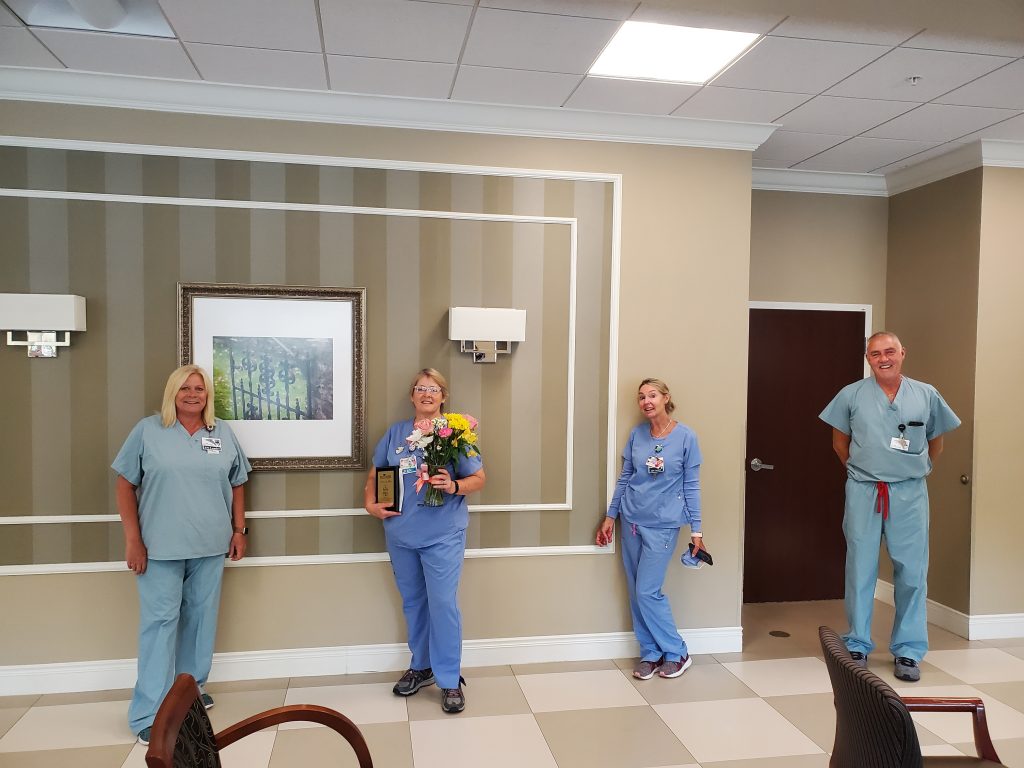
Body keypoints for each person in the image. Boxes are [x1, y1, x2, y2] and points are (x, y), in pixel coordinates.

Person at [112, 364, 250, 744]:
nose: (192, 394)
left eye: (199, 389)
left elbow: (238, 482)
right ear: (172, 392)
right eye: (185, 388)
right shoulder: (148, 431)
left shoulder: (221, 432)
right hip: (159, 547)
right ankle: (148, 713)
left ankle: (190, 693)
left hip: (210, 545)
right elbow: (124, 485)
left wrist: (239, 531)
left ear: (208, 395)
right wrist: (133, 540)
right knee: (160, 625)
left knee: (201, 621)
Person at [820, 331, 959, 682]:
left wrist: (910, 472)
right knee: (860, 568)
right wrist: (865, 472)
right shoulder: (851, 395)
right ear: (868, 359)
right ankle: (857, 643)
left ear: (902, 353)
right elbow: (839, 444)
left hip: (909, 493)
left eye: (889, 351)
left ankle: (908, 651)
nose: (883, 358)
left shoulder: (926, 394)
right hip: (864, 490)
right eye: (875, 353)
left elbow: (936, 444)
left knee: (912, 571)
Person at [363, 368, 485, 713]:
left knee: (443, 605)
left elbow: (478, 478)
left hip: (443, 535)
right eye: (420, 388)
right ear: (412, 396)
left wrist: (454, 485)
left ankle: (449, 679)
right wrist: (370, 503)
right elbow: (376, 473)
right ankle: (422, 666)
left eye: (433, 389)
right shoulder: (396, 433)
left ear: (443, 396)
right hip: (401, 535)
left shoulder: (455, 434)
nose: (427, 394)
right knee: (414, 603)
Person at [596, 378, 704, 680]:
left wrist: (697, 531)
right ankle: (651, 653)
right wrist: (611, 516)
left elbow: (692, 486)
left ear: (665, 398)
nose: (646, 401)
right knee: (635, 591)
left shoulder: (686, 437)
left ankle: (677, 652)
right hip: (631, 519)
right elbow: (626, 477)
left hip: (664, 524)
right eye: (641, 397)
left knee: (647, 590)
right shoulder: (637, 435)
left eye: (652, 395)